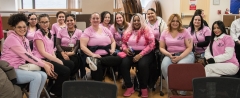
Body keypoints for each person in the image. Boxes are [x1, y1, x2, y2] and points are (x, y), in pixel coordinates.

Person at [0, 13, 54, 98]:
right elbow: (26, 56)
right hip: (10, 70)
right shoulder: (11, 39)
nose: (22, 29)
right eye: (19, 27)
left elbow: (30, 55)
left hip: (20, 67)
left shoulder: (25, 39)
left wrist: (44, 62)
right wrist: (44, 65)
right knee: (36, 77)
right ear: (14, 28)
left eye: (24, 27)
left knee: (43, 75)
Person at [32, 14, 74, 97]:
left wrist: (55, 58)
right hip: (42, 60)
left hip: (49, 58)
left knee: (71, 64)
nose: (45, 24)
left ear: (49, 22)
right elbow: (43, 52)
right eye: (42, 22)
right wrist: (57, 60)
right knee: (65, 70)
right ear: (39, 23)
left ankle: (54, 85)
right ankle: (54, 92)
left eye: (46, 22)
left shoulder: (50, 32)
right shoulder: (38, 34)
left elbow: (51, 49)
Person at [120, 13, 155, 98]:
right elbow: (123, 43)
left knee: (142, 65)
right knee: (123, 64)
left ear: (142, 21)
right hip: (131, 52)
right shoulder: (128, 30)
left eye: (138, 20)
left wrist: (140, 54)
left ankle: (143, 88)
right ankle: (129, 86)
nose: (136, 22)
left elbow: (152, 44)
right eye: (134, 20)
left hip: (145, 53)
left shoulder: (147, 30)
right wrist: (125, 49)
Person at [80, 12, 122, 81]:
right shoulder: (87, 31)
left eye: (97, 18)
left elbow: (113, 41)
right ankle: (99, 85)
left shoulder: (105, 29)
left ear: (100, 20)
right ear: (90, 20)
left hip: (107, 55)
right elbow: (82, 46)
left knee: (119, 59)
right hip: (93, 55)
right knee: (97, 66)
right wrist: (93, 55)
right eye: (93, 18)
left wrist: (113, 49)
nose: (95, 20)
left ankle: (97, 62)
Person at [160, 14, 194, 95]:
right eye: (173, 21)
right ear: (170, 22)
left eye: (177, 21)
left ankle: (182, 93)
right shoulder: (165, 32)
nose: (175, 23)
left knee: (181, 67)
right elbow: (161, 47)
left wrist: (180, 57)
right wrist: (168, 54)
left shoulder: (185, 31)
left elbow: (189, 48)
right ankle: (173, 88)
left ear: (179, 22)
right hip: (170, 54)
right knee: (164, 66)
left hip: (185, 54)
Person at [56, 14, 84, 78]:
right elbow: (57, 44)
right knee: (64, 61)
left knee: (75, 60)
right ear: (65, 22)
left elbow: (78, 44)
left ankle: (71, 75)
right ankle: (65, 75)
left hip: (73, 51)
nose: (69, 22)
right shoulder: (60, 31)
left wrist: (73, 52)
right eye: (67, 21)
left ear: (75, 21)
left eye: (71, 20)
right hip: (61, 52)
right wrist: (63, 53)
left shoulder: (79, 32)